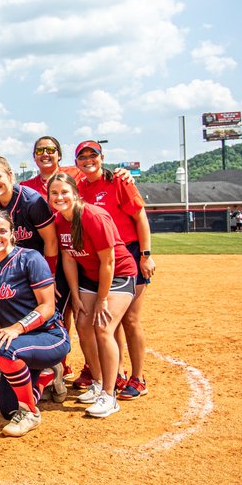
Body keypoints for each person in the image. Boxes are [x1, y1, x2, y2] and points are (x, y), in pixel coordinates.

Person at [0, 210, 71, 437]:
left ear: (13, 233)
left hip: (49, 336)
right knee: (8, 409)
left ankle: (30, 413)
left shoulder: (30, 258)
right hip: (21, 344)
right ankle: (46, 375)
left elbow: (47, 306)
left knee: (4, 349)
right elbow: (0, 312)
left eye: (2, 231)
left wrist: (16, 328)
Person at [47, 173, 139, 419]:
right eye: (54, 193)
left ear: (75, 193)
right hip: (89, 277)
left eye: (64, 192)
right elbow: (68, 258)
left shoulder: (93, 216)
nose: (59, 197)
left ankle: (110, 395)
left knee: (102, 327)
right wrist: (76, 296)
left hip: (118, 275)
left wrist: (102, 298)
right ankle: (97, 381)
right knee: (83, 325)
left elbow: (108, 261)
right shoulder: (60, 220)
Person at [74, 140, 155, 400]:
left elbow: (140, 216)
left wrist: (146, 254)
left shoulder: (119, 181)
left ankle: (139, 377)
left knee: (130, 319)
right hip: (100, 258)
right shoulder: (80, 187)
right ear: (76, 162)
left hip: (128, 254)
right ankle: (117, 372)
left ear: (102, 157)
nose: (88, 160)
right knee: (111, 320)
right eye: (83, 156)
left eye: (93, 155)